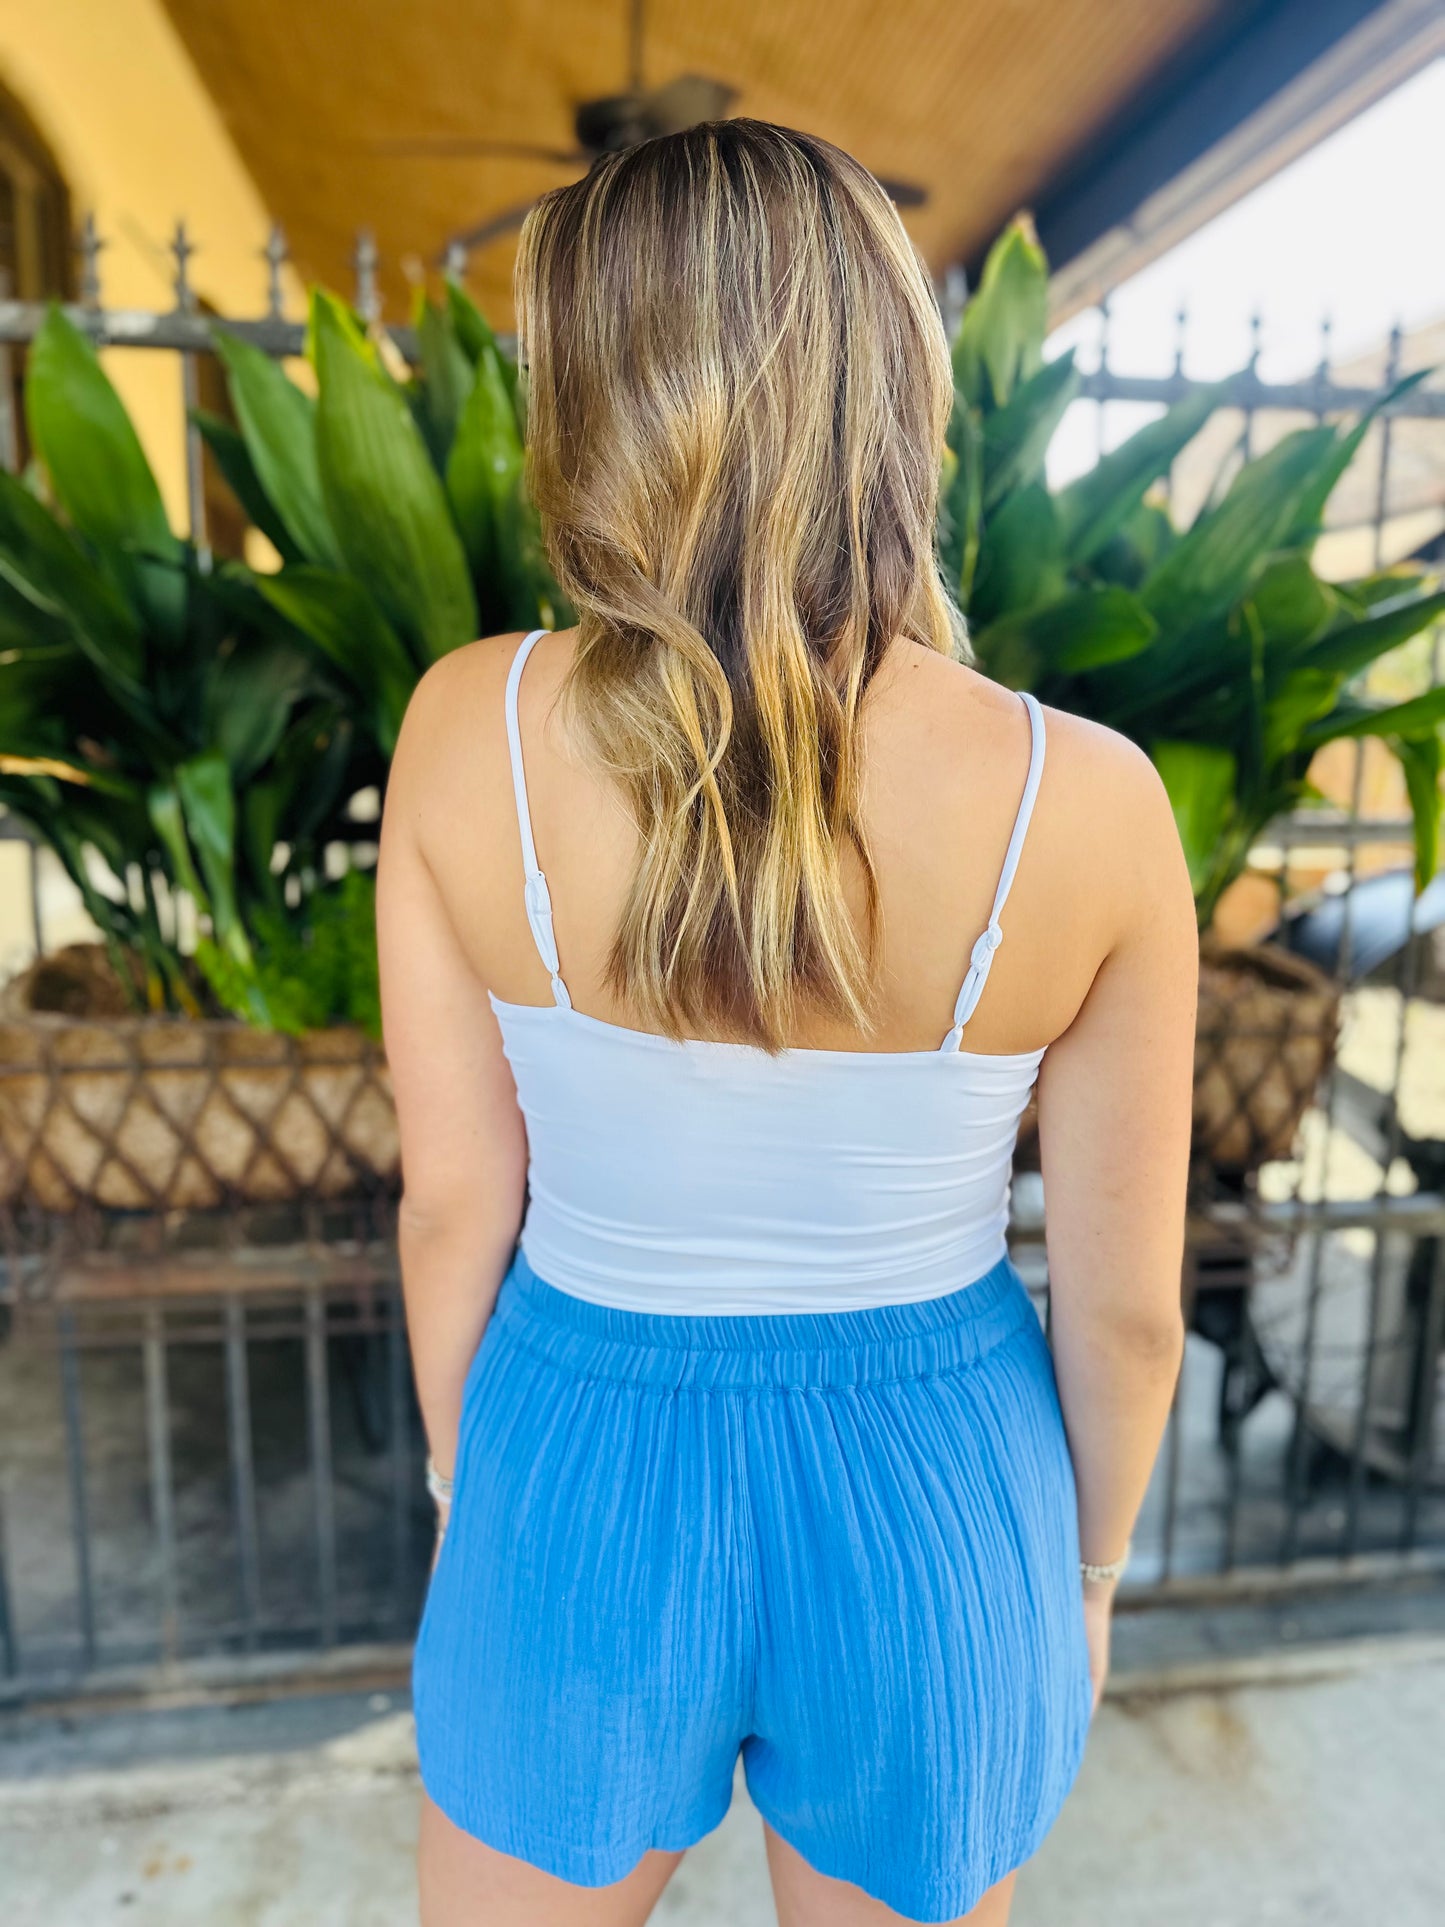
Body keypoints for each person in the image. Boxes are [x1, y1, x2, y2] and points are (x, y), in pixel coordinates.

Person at [377, 118, 1195, 1927]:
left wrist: (468, 1482)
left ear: (586, 395)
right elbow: (1129, 1312)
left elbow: (452, 1204)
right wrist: (1084, 1574)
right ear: (892, 382)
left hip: (579, 1444)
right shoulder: (1089, 802)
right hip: (933, 1477)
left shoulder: (463, 730)